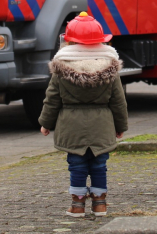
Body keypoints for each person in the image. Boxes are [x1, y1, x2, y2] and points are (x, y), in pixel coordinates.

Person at [39, 12, 128, 218]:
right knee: (99, 163)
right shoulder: (110, 67)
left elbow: (52, 99)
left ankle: (77, 205)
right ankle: (100, 204)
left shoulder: (61, 68)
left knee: (77, 164)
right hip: (102, 124)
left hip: (71, 125)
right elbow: (118, 101)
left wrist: (45, 123)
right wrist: (120, 126)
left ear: (69, 40)